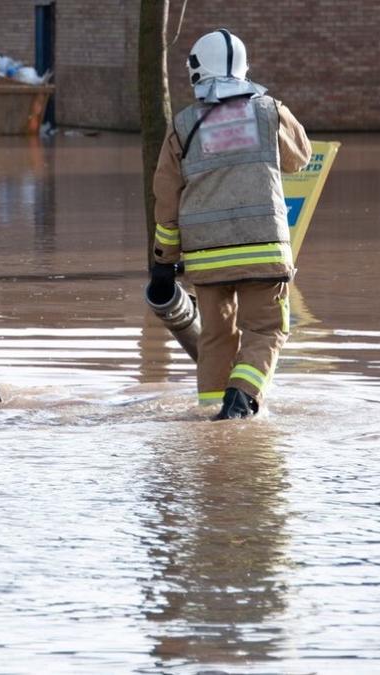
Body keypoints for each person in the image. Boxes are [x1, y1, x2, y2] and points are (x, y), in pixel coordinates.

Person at [151, 29, 312, 420]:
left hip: (207, 259)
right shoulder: (270, 111)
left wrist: (162, 262)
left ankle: (212, 420)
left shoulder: (183, 126)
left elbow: (167, 200)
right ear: (244, 69)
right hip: (262, 253)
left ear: (195, 72)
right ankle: (240, 402)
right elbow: (301, 159)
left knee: (216, 337)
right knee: (267, 330)